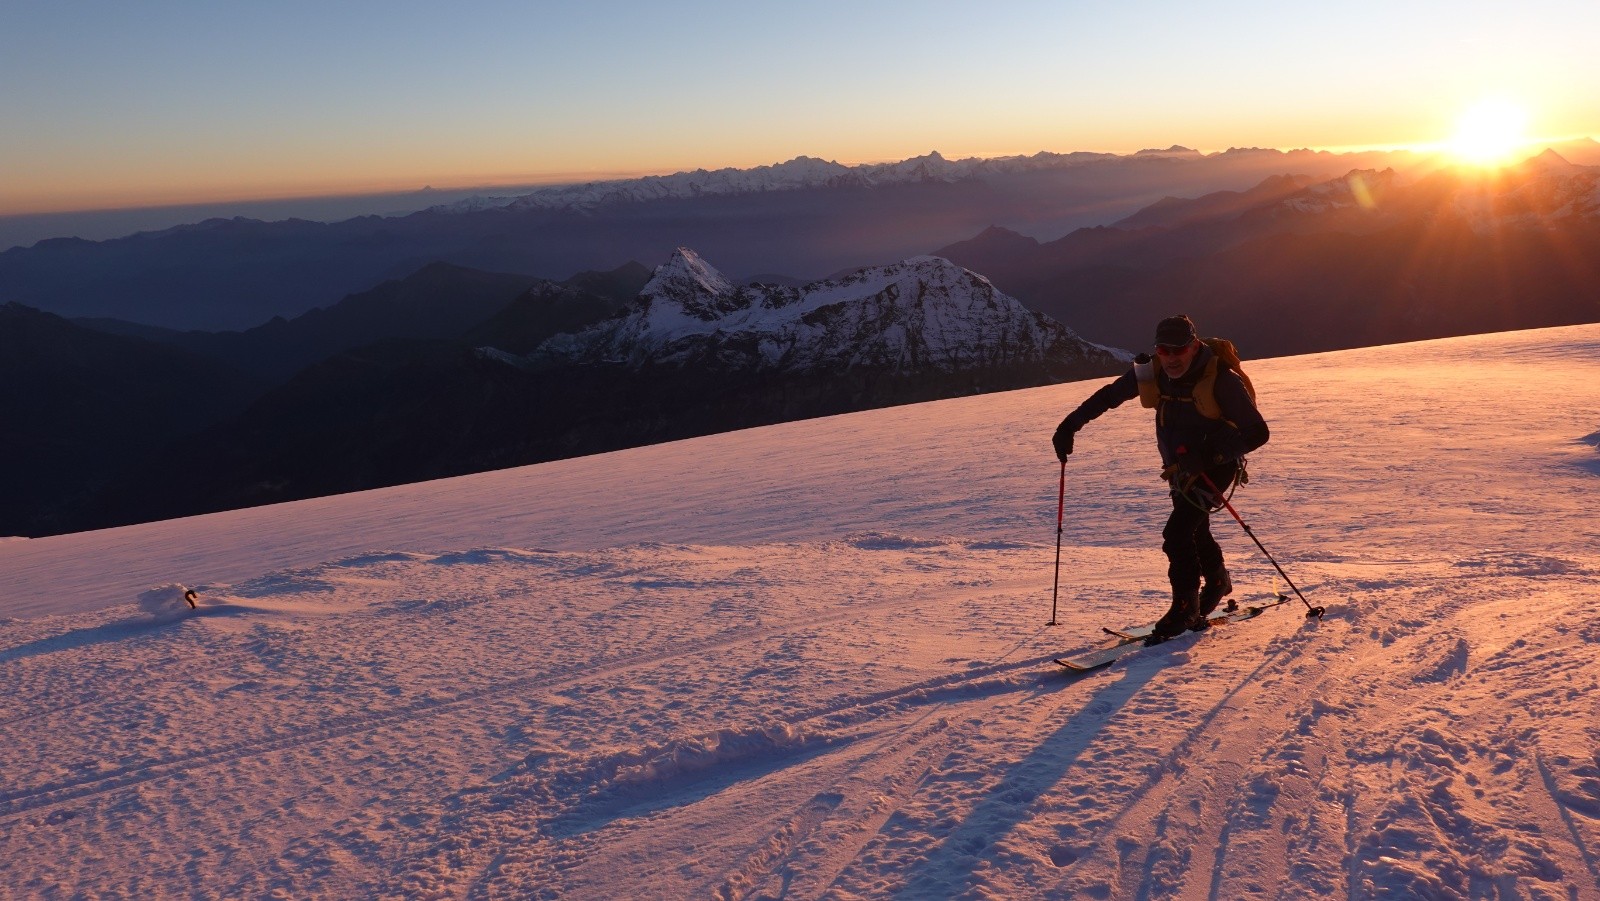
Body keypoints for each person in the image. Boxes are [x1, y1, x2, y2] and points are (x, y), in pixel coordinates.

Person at [1052, 314, 1269, 643]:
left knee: (1177, 533)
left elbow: (1258, 432)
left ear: (1194, 346)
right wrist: (1070, 425)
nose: (1170, 358)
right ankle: (1217, 582)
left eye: (1178, 349)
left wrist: (1210, 457)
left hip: (1215, 466)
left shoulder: (1221, 379)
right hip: (1179, 468)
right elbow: (1109, 396)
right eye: (1163, 350)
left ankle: (1184, 608)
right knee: (1195, 529)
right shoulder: (1151, 371)